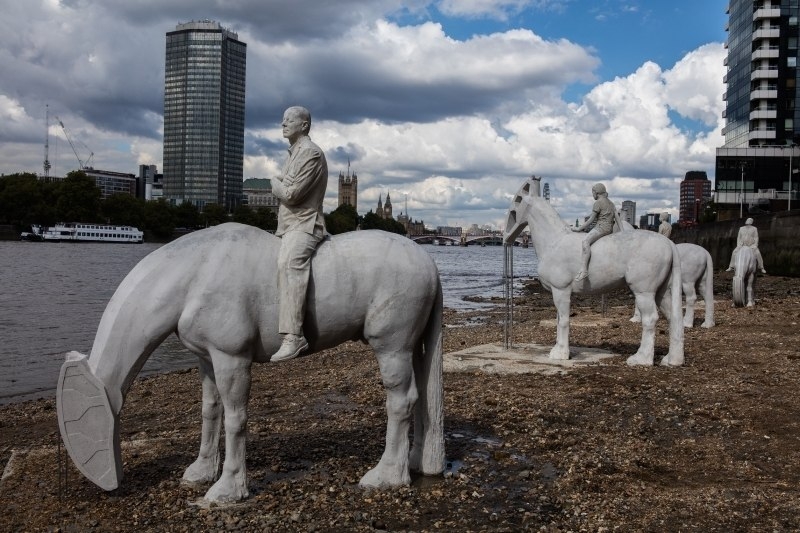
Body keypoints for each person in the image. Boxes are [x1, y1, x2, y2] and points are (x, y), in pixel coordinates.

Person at [269, 106, 329, 362]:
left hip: (305, 224)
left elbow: (292, 195)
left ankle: (294, 336)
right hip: (288, 225)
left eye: (289, 120)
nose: (283, 124)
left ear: (304, 125)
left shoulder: (311, 153)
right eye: (282, 120)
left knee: (290, 263)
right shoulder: (294, 153)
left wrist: (275, 183)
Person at [571, 183, 616, 281]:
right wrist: (623, 232)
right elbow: (617, 218)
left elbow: (590, 220)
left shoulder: (598, 203)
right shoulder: (611, 203)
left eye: (593, 192)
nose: (592, 195)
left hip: (600, 228)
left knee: (585, 242)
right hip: (609, 229)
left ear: (596, 192)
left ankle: (584, 270)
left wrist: (579, 229)